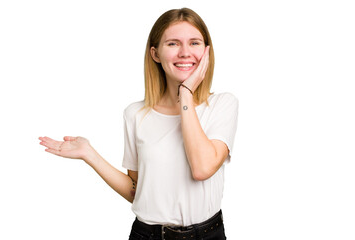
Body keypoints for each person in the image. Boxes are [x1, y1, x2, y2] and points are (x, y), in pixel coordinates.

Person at [39, 7, 238, 240]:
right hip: (147, 235)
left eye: (194, 43)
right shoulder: (135, 114)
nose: (185, 52)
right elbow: (137, 191)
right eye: (173, 44)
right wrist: (89, 154)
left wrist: (185, 93)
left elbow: (202, 168)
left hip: (206, 235)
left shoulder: (222, 105)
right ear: (155, 54)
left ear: (206, 51)